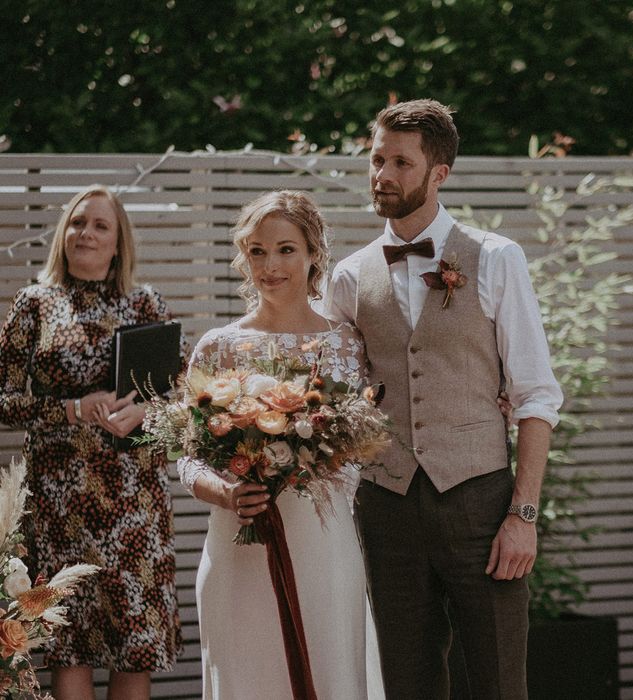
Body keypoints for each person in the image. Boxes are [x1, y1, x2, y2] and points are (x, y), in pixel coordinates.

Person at [325, 99, 564, 699]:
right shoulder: (349, 277)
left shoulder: (497, 258)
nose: (382, 174)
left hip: (480, 500)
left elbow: (536, 396)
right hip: (386, 505)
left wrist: (523, 516)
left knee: (500, 679)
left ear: (439, 174)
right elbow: (334, 395)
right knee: (406, 683)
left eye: (401, 162)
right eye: (377, 159)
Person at [177, 190, 384, 700]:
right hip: (240, 541)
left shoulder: (346, 344)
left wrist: (307, 457)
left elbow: (365, 445)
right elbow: (186, 456)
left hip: (324, 543)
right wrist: (226, 493)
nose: (270, 265)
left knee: (332, 676)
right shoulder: (218, 346)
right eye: (257, 251)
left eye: (286, 249)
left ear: (314, 253)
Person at [0, 186, 183, 700]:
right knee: (68, 644)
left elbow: (185, 397)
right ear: (64, 233)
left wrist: (146, 410)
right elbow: (2, 399)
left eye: (101, 225)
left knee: (133, 644)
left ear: (119, 242)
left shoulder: (145, 302)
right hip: (62, 502)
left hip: (136, 503)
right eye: (79, 222)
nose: (87, 233)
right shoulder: (35, 304)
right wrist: (72, 409)